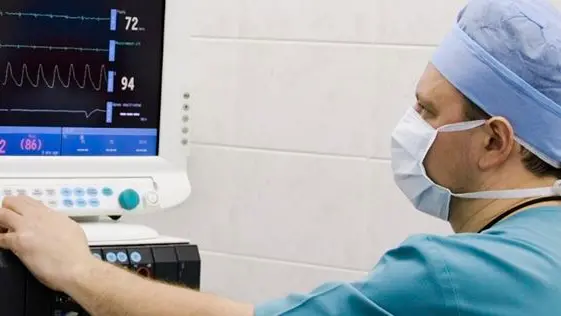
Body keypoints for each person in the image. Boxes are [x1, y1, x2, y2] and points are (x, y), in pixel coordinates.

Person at [2, 0, 561, 315]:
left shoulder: (455, 279)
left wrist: (78, 269)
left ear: (494, 141)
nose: (412, 125)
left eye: (427, 109)